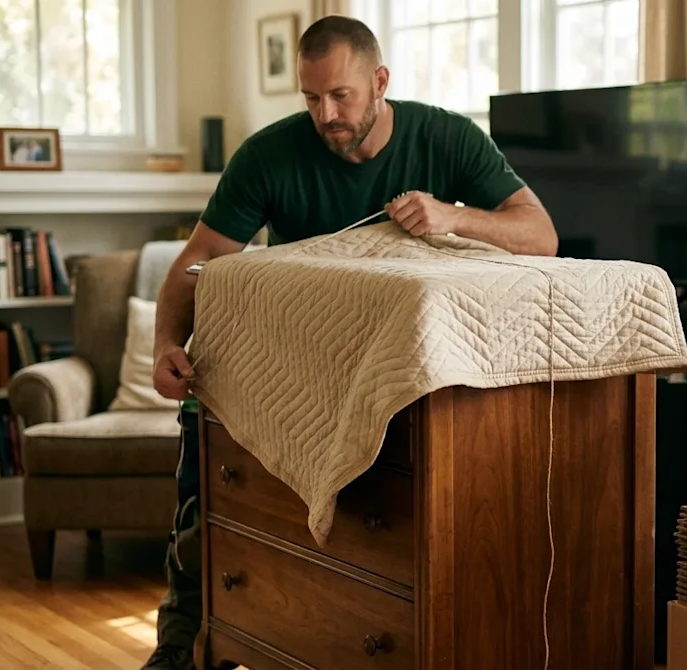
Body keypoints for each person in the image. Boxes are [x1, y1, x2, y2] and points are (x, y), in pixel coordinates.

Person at [141, 15, 557, 670]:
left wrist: (454, 217)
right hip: (282, 370)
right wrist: (167, 341)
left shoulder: (447, 137)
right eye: (312, 98)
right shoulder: (268, 155)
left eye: (341, 96)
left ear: (379, 81)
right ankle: (175, 654)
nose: (326, 115)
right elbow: (201, 259)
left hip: (392, 376)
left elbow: (542, 236)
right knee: (199, 520)